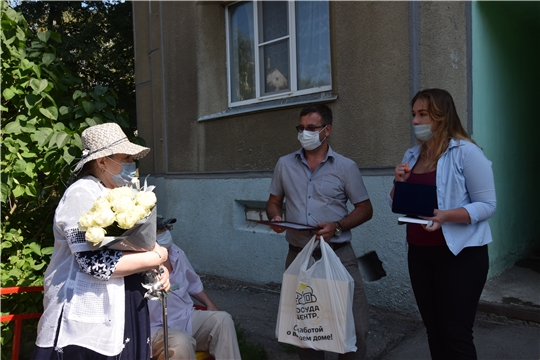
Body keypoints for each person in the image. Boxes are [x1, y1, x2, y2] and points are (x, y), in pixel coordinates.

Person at [32, 122, 171, 360]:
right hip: (85, 315)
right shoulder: (81, 194)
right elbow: (96, 263)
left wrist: (155, 268)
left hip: (125, 304)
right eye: (125, 157)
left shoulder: (116, 193)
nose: (131, 164)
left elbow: (130, 246)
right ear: (102, 161)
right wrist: (158, 255)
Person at [389, 88, 496, 360]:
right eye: (414, 114)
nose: (415, 121)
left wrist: (445, 216)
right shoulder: (412, 156)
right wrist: (398, 183)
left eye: (423, 114)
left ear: (442, 116)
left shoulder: (466, 153)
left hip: (460, 256)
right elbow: (397, 205)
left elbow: (487, 205)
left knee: (456, 334)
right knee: (433, 331)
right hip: (420, 254)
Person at [266, 103, 373, 360]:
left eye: (311, 128)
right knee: (308, 333)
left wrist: (338, 225)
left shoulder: (346, 167)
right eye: (301, 128)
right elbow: (273, 202)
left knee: (355, 328)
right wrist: (275, 217)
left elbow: (365, 209)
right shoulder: (285, 164)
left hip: (338, 256)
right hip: (300, 257)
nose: (305, 133)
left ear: (327, 130)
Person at [148, 216, 241, 360]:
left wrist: (210, 304)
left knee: (223, 320)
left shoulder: (176, 252)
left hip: (184, 317)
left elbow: (193, 282)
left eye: (167, 228)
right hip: (155, 328)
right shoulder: (138, 262)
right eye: (160, 230)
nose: (166, 232)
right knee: (181, 342)